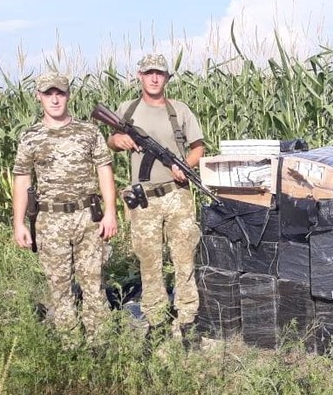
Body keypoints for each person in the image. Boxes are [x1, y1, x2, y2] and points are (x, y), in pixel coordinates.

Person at [12, 72, 119, 342]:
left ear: (69, 95)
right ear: (39, 97)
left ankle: (101, 344)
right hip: (50, 221)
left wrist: (110, 212)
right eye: (49, 93)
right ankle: (71, 346)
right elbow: (22, 178)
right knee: (59, 289)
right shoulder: (31, 137)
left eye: (60, 92)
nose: (55, 98)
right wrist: (19, 222)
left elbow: (105, 170)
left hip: (87, 218)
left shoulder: (89, 132)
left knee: (94, 285)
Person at [107, 53, 205, 346]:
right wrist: (118, 140)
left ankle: (187, 319)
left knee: (184, 259)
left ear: (167, 78)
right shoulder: (128, 109)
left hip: (178, 196)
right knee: (149, 262)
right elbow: (111, 141)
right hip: (144, 199)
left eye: (159, 73)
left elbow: (198, 147)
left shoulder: (180, 110)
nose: (153, 78)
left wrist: (184, 165)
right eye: (148, 72)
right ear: (139, 76)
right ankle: (156, 321)